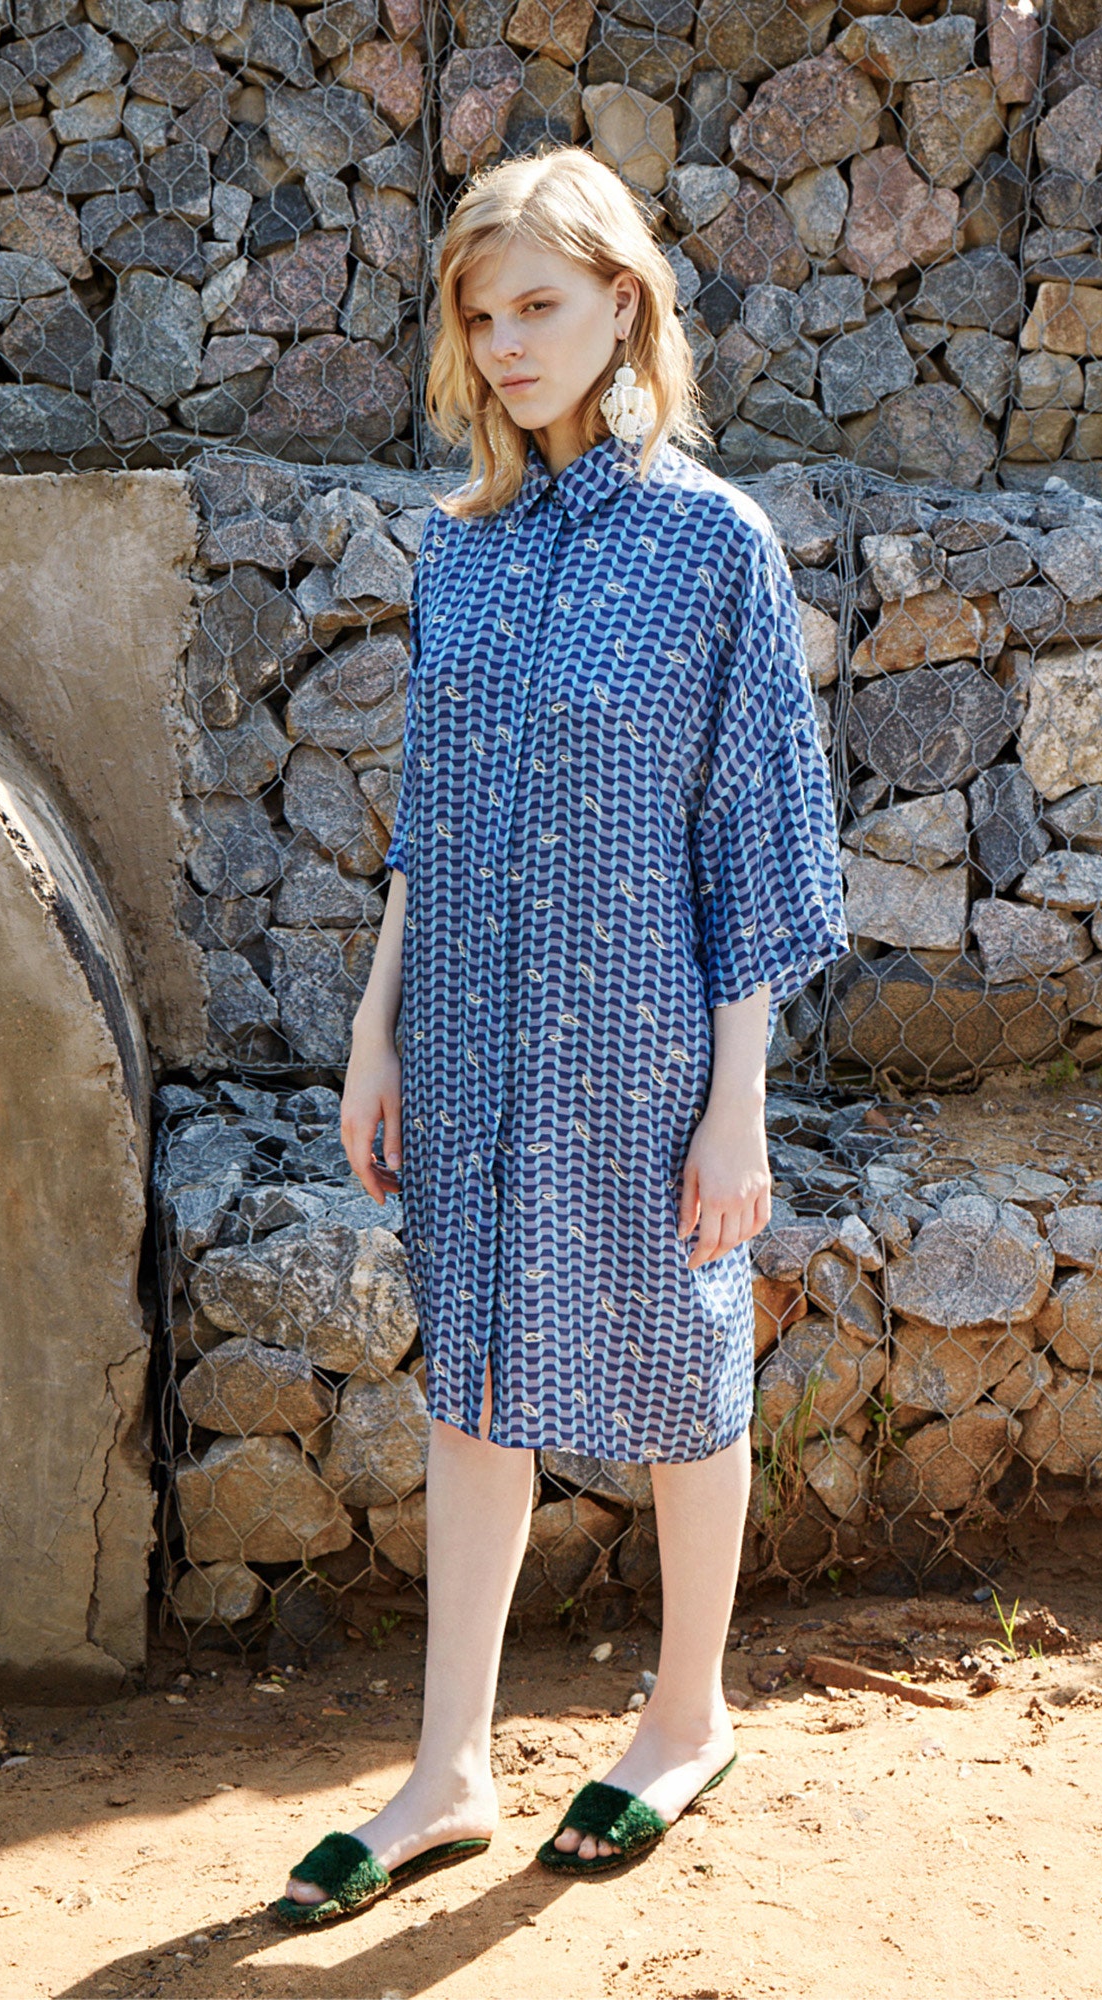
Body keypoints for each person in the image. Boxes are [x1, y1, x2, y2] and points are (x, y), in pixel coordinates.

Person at [272, 146, 848, 1926]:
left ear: (624, 305)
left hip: (640, 1046)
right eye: (480, 312)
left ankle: (682, 1717)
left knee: (678, 1364)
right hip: (461, 1037)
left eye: (539, 304)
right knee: (477, 1380)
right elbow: (421, 827)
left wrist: (736, 1109)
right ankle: (449, 1764)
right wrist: (373, 1032)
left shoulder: (711, 546)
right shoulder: (458, 551)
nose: (507, 342)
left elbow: (753, 835)